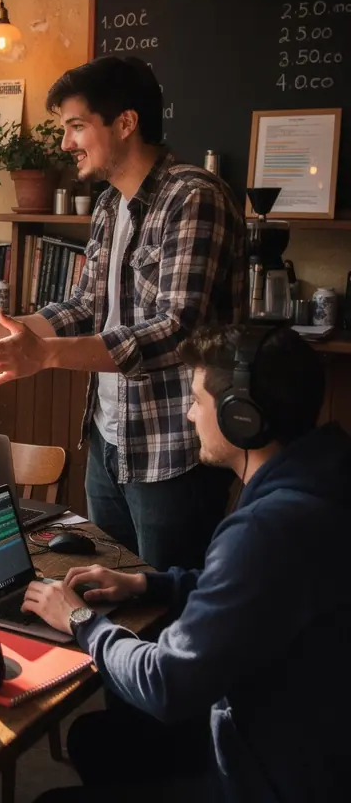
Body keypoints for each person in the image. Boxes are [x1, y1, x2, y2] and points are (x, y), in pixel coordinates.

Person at [0, 57, 245, 572]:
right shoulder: (111, 203)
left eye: (77, 126)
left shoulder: (193, 198)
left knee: (165, 607)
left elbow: (177, 331)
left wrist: (45, 354)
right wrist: (4, 330)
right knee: (109, 595)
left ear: (125, 123)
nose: (66, 143)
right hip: (109, 441)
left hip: (172, 450)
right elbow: (86, 305)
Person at [25, 323, 350, 803]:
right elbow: (256, 588)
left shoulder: (267, 528)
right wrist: (146, 586)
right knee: (97, 738)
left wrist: (78, 619)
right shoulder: (324, 479)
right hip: (313, 744)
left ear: (243, 418)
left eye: (197, 400)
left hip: (268, 777)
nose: (188, 413)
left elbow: (165, 684)